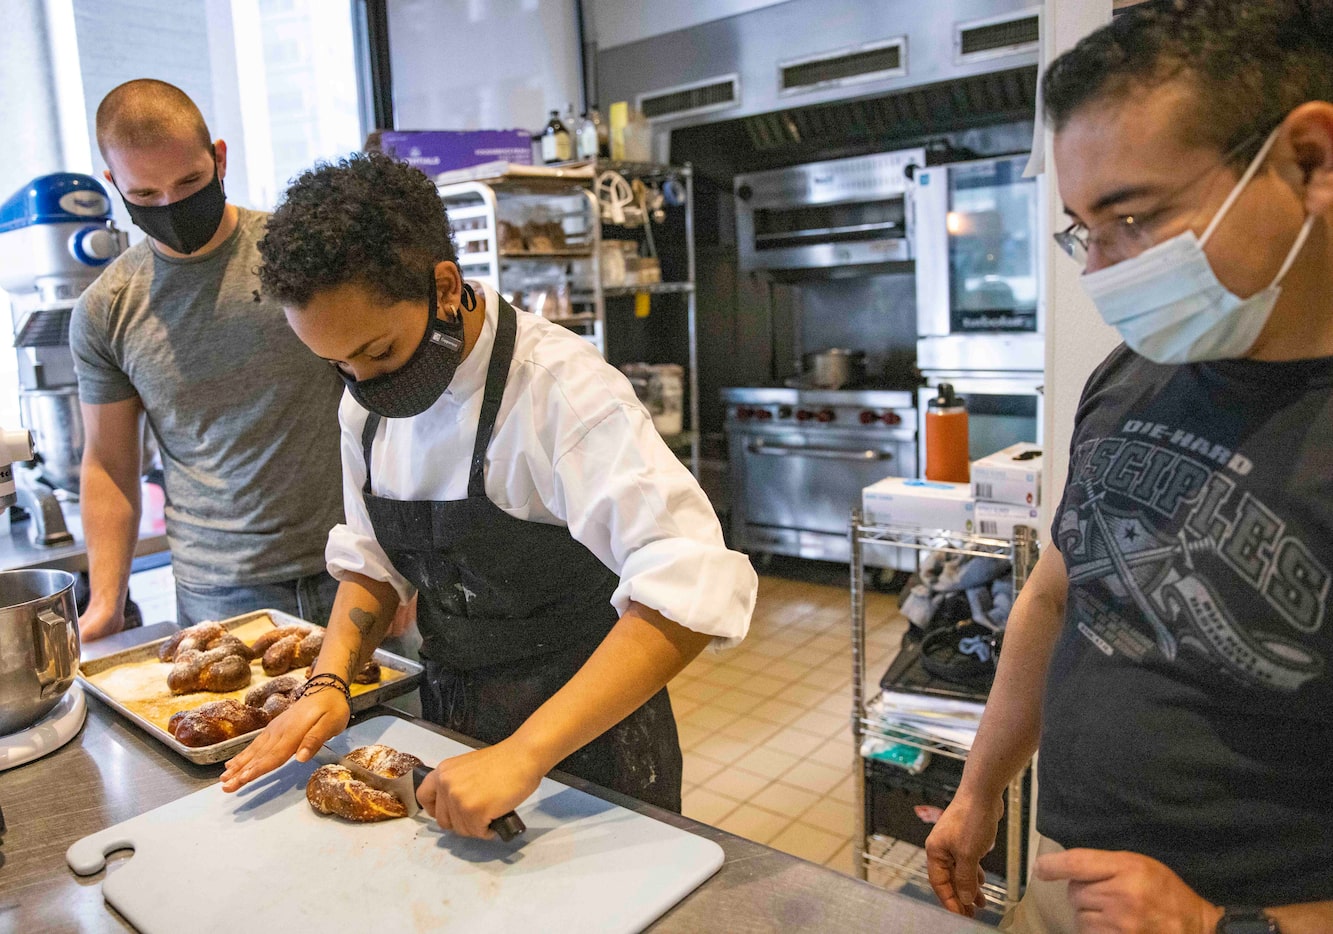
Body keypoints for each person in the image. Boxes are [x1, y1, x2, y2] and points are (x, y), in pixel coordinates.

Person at [924, 2, 1333, 932]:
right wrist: (979, 789)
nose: (1100, 272)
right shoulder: (1134, 374)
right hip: (1071, 890)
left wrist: (1220, 924)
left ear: (1308, 161)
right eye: (1081, 231)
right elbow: (1057, 596)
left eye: (1133, 219)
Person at [219, 152, 756, 826]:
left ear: (444, 285)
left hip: (592, 741)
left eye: (380, 353)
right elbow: (372, 562)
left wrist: (526, 751)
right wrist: (330, 683)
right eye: (337, 364)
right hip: (452, 717)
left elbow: (687, 584)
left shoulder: (562, 392)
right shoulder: (361, 404)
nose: (362, 382)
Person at [71, 79, 347, 639]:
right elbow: (108, 464)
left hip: (351, 566)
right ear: (114, 184)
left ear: (219, 158)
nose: (171, 205)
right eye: (144, 195)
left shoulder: (299, 257)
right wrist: (105, 603)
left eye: (190, 182)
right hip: (219, 592)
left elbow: (389, 405)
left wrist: (404, 559)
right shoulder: (107, 308)